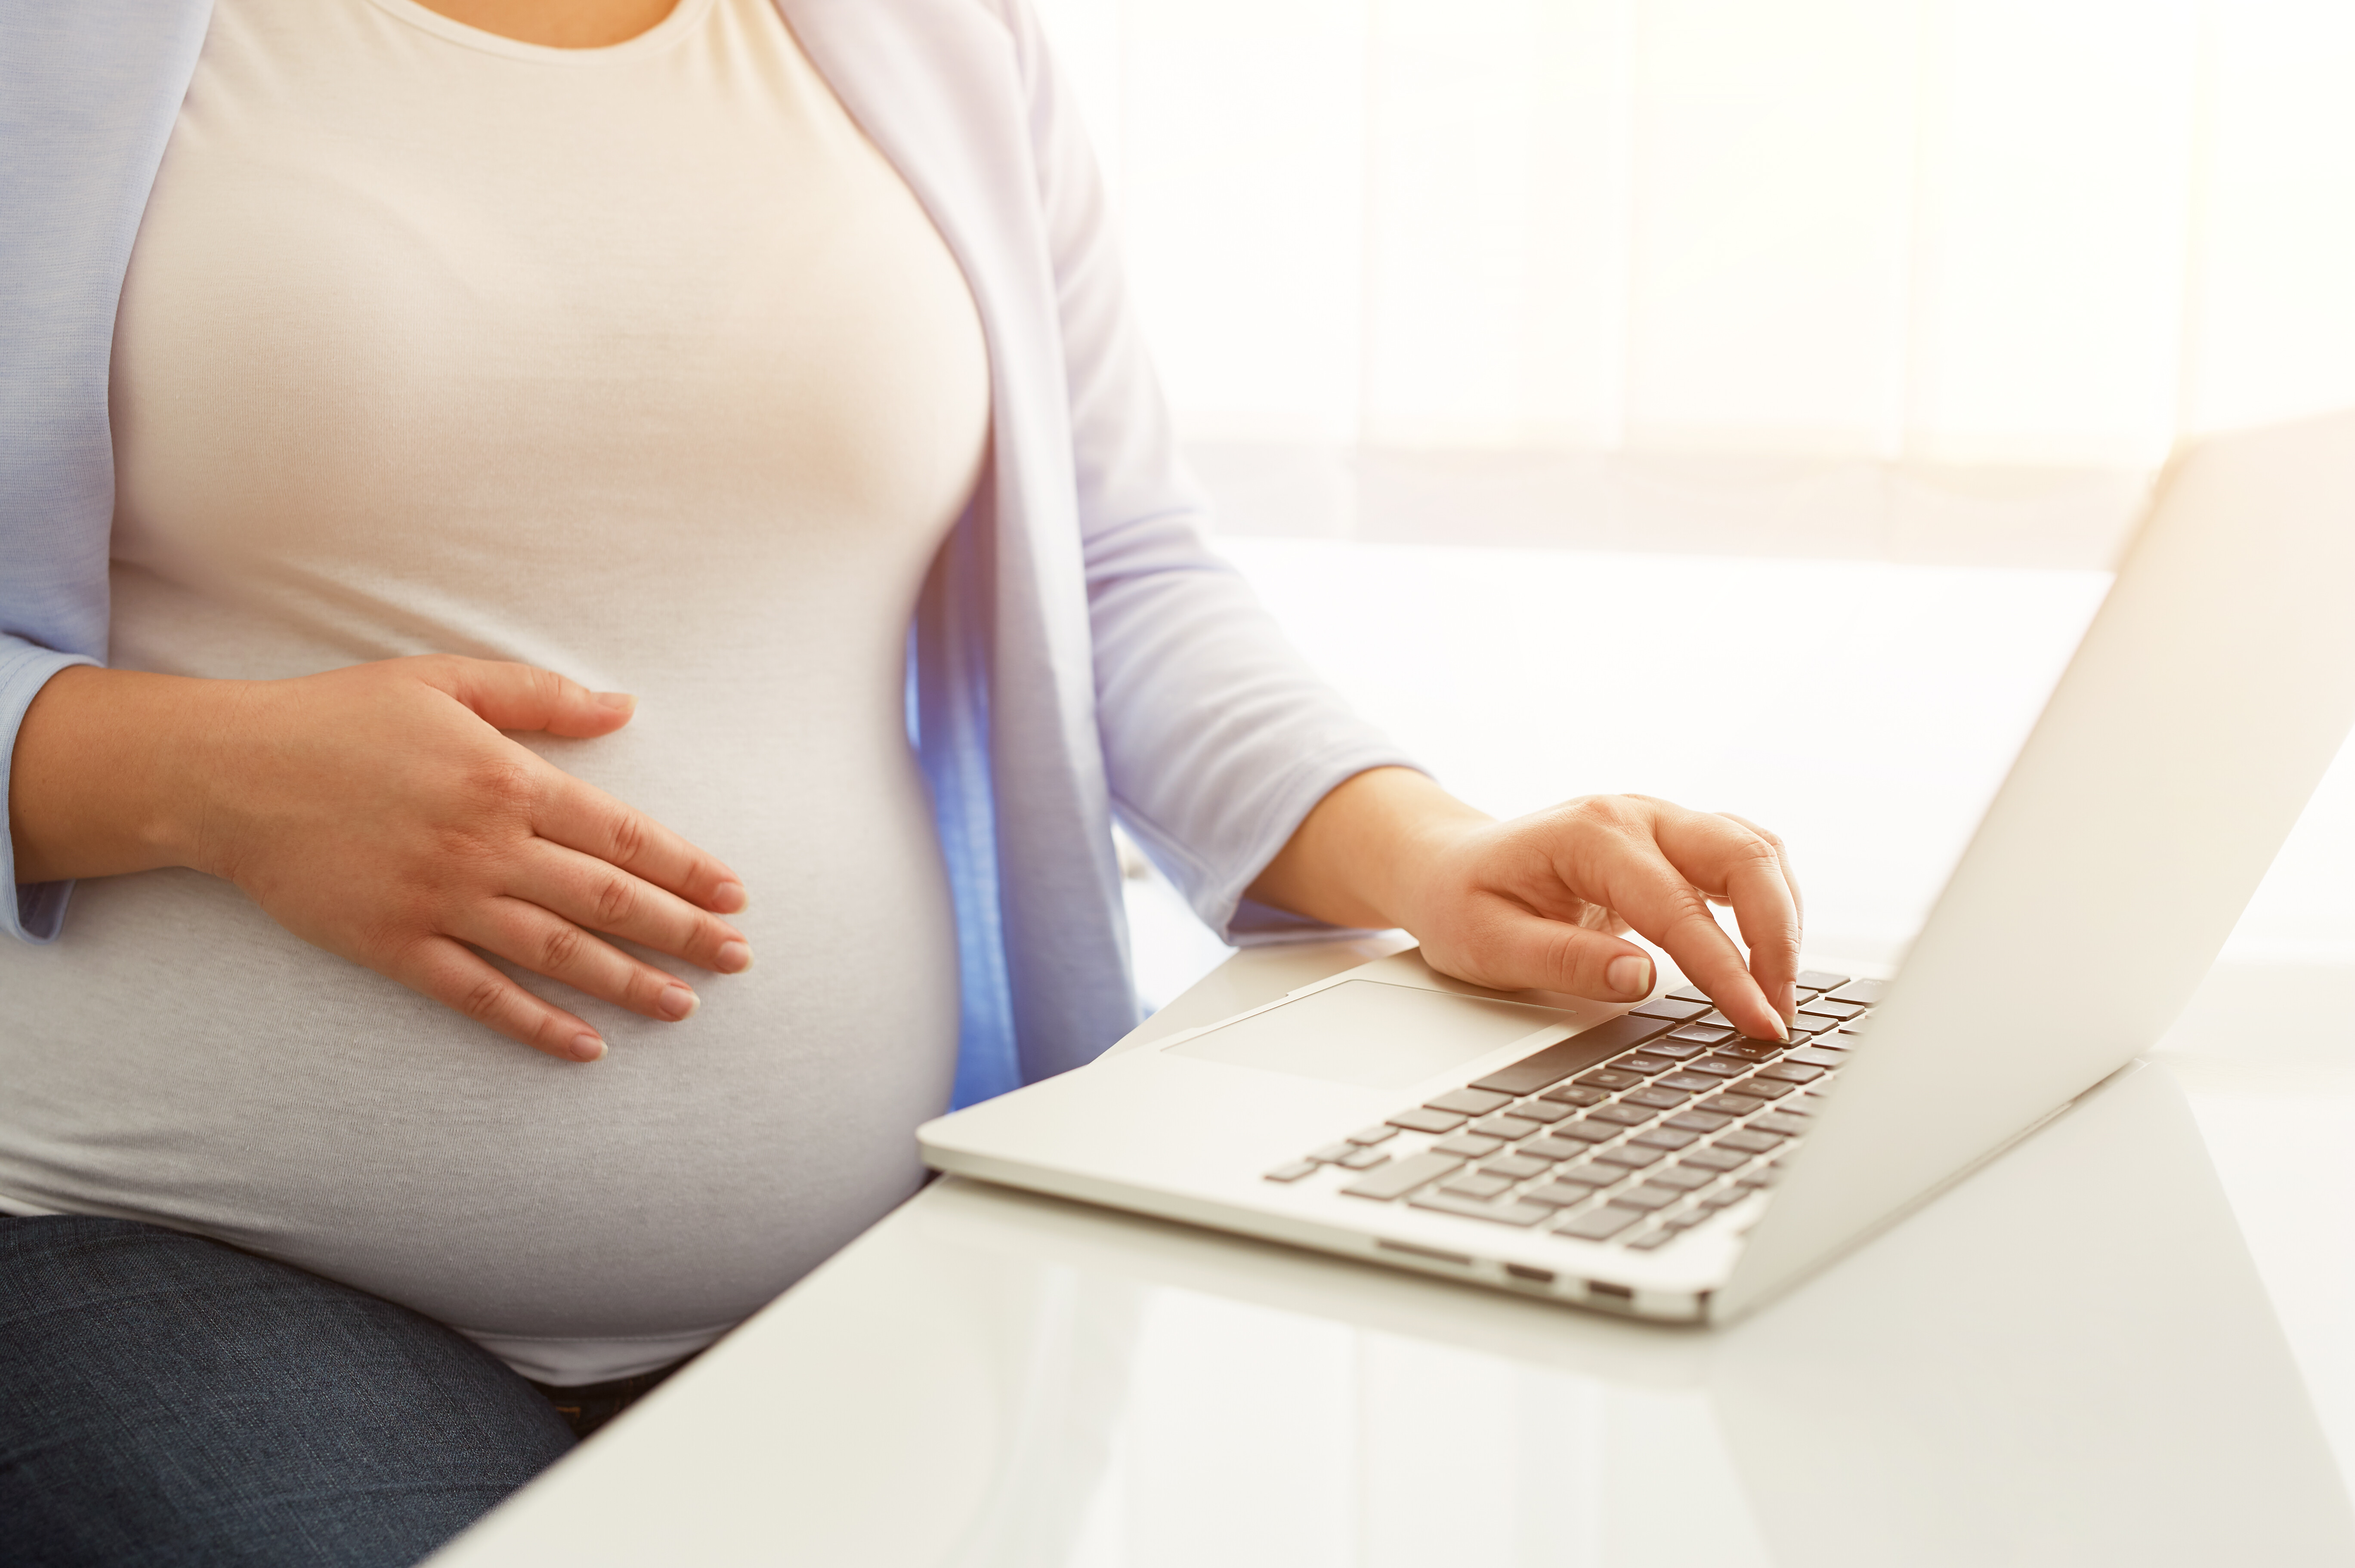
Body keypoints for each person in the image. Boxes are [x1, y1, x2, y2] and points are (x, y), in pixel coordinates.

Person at [0, 0, 1803, 1560]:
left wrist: (1431, 844)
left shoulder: (932, 38)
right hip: (166, 1245)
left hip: (867, 1265)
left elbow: (1115, 573)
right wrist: (197, 773)